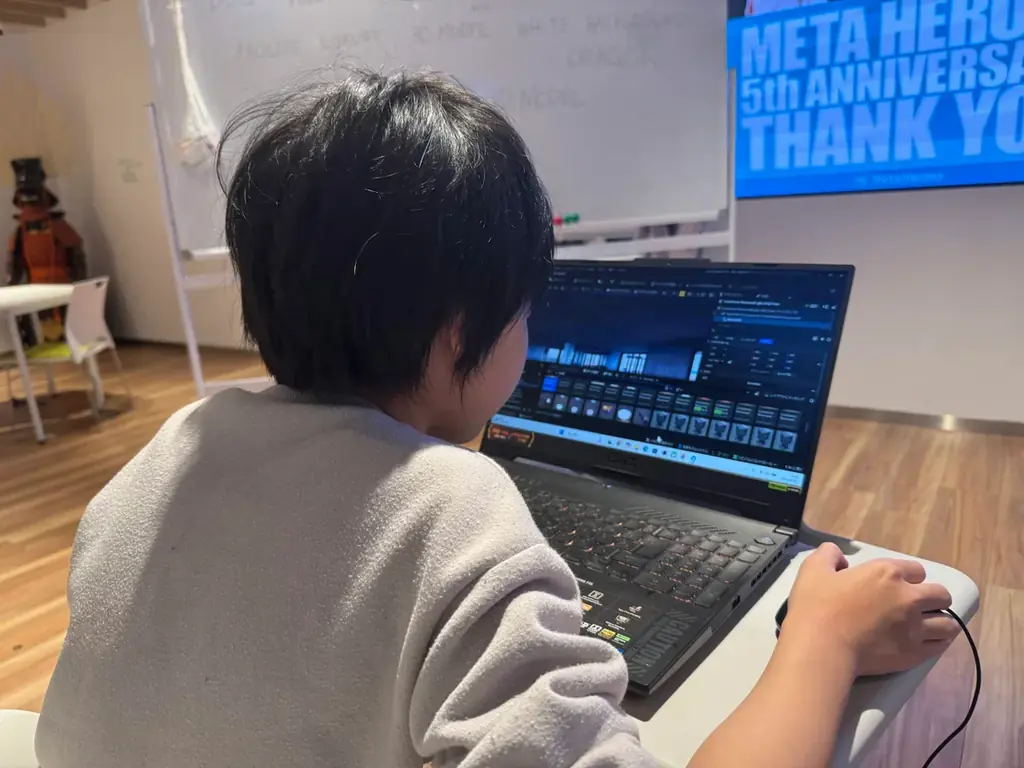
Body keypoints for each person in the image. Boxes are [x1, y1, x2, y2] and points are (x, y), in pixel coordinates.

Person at [35, 69, 959, 768]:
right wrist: (824, 639)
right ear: (457, 332)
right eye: (527, 310)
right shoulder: (452, 506)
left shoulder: (175, 444)